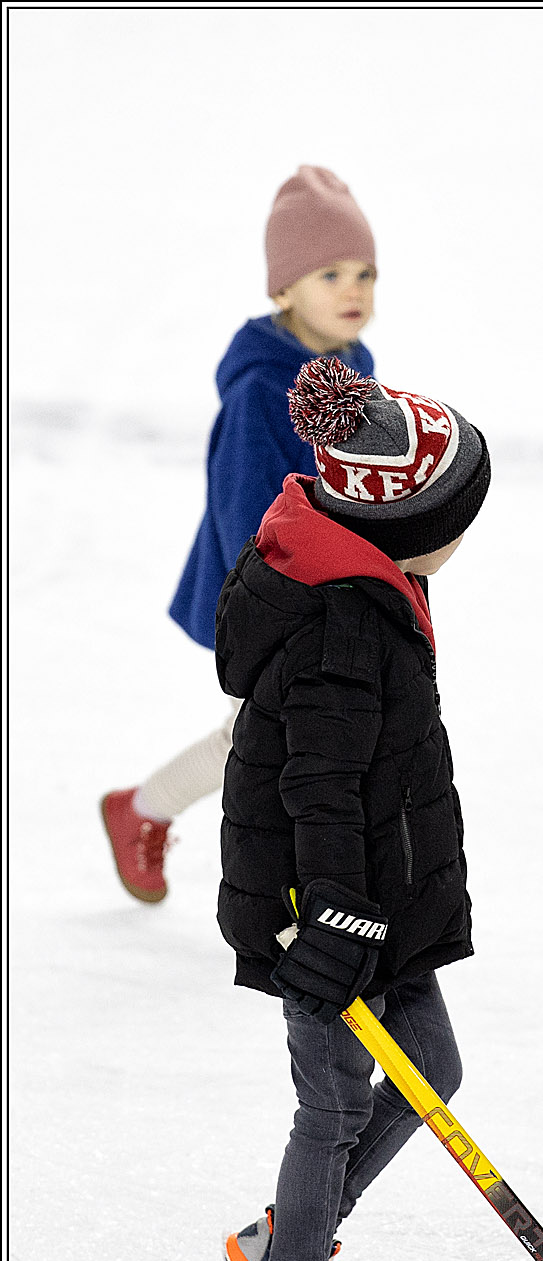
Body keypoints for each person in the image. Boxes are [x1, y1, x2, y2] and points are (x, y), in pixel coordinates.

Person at [217, 355, 490, 1261]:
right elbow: (318, 786)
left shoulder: (374, 582)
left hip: (381, 893)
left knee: (431, 1072)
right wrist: (332, 916)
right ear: (404, 522)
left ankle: (285, 1234)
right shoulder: (341, 621)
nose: (464, 540)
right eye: (458, 520)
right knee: (332, 1108)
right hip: (321, 913)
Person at [101, 166, 377, 902]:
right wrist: (272, 611)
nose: (353, 290)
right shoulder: (261, 392)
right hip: (271, 597)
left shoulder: (352, 366)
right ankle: (279, 886)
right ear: (283, 289)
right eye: (330, 274)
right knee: (265, 742)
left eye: (365, 273)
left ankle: (141, 810)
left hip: (333, 591)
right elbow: (244, 512)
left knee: (276, 740)